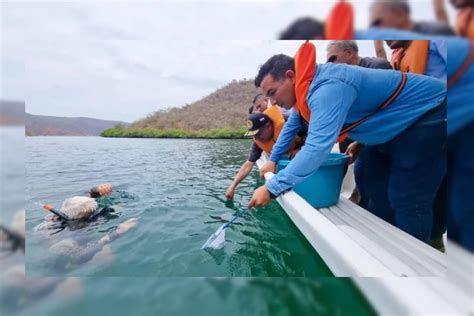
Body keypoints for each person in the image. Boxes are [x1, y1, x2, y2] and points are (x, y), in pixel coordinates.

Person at [249, 42, 447, 245]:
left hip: (428, 114)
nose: (273, 102)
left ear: (291, 76)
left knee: (407, 197)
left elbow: (316, 149)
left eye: (273, 92)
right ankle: (387, 245)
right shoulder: (304, 90)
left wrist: (272, 188)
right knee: (367, 180)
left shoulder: (327, 87)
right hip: (392, 127)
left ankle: (422, 253)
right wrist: (272, 159)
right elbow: (292, 125)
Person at [326, 40, 392, 209]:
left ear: (349, 53)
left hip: (383, 132)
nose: (331, 64)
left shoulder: (378, 67)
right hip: (361, 133)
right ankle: (359, 201)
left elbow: (383, 109)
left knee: (372, 175)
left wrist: (360, 142)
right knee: (359, 170)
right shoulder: (344, 79)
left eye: (333, 58)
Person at [225, 108, 303, 200]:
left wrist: (301, 148)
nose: (256, 137)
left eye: (258, 133)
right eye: (254, 135)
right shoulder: (259, 141)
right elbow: (248, 164)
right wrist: (232, 186)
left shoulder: (290, 125)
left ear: (268, 126)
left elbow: (316, 134)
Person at [369, 0, 455, 35]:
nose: (374, 30)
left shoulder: (438, 32)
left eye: (377, 23)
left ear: (400, 15)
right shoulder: (397, 46)